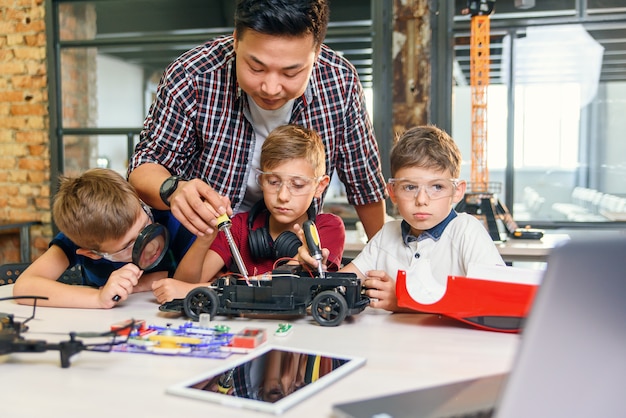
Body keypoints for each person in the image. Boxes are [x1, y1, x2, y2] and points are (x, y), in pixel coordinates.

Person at [127, 0, 387, 243]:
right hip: (201, 243)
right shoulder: (191, 76)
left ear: (316, 52)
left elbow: (365, 187)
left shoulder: (340, 82)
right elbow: (144, 167)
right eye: (256, 68)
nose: (271, 88)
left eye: (291, 72)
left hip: (290, 246)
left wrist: (384, 258)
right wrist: (173, 189)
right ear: (236, 40)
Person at [297, 125, 505, 312]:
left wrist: (405, 301)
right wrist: (319, 271)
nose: (422, 200)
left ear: (457, 191)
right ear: (393, 192)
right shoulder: (387, 234)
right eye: (410, 187)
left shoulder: (466, 230)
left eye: (437, 187)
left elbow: (495, 299)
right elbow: (342, 283)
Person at [151, 124, 345, 304]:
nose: (283, 196)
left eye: (298, 184)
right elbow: (183, 284)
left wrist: (214, 286)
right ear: (260, 180)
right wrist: (206, 235)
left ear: (320, 186)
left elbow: (284, 285)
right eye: (273, 182)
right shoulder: (237, 227)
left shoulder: (326, 228)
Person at [12, 168, 194, 309]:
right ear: (92, 253)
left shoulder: (171, 220)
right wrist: (98, 299)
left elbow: (199, 278)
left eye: (146, 225)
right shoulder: (84, 236)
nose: (149, 242)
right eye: (130, 245)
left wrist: (144, 282)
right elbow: (24, 287)